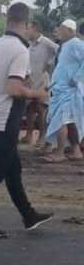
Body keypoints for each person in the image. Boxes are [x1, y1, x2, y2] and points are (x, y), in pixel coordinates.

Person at [0, 2, 53, 238]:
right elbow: (14, 88)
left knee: (12, 169)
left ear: (7, 20)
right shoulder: (20, 50)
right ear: (26, 25)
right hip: (4, 119)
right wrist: (39, 93)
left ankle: (28, 215)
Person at [43, 20, 84, 163]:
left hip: (69, 91)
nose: (58, 31)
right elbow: (62, 68)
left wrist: (77, 77)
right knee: (69, 122)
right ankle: (76, 151)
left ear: (70, 30)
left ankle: (60, 152)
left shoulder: (76, 44)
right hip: (60, 88)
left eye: (61, 28)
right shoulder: (65, 46)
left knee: (61, 121)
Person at [21, 22, 58, 148]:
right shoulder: (28, 44)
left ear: (35, 29)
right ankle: (29, 135)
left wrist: (49, 63)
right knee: (29, 109)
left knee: (41, 109)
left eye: (28, 28)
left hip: (42, 80)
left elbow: (58, 50)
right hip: (30, 80)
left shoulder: (46, 42)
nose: (26, 31)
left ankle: (42, 137)